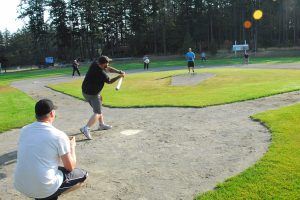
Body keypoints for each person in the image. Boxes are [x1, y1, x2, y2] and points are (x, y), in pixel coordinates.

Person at [14, 99, 88, 200]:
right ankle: (49, 194)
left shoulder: (24, 129)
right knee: (83, 175)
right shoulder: (59, 135)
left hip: (20, 184)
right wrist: (72, 147)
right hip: (42, 187)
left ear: (36, 115)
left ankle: (45, 193)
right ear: (52, 113)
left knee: (44, 169)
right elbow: (70, 167)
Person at [80, 56, 125, 140]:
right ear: (102, 64)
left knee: (99, 103)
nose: (108, 65)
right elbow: (109, 81)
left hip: (86, 91)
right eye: (106, 63)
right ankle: (86, 128)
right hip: (92, 94)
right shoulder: (100, 73)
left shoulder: (95, 64)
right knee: (98, 112)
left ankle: (101, 125)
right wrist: (120, 76)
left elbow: (108, 68)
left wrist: (118, 72)